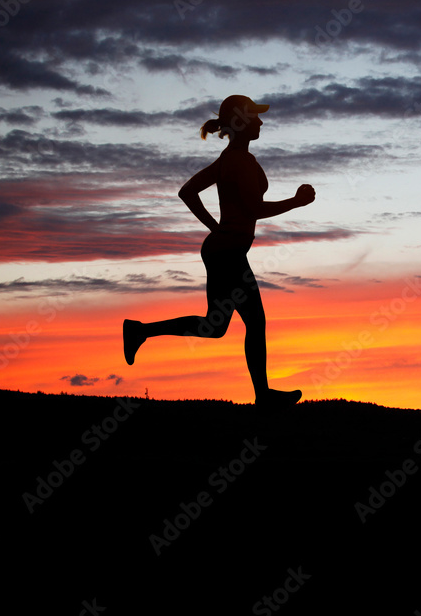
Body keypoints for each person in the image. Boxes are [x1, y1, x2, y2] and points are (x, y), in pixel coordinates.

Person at [123, 94, 315, 411]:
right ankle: (263, 396)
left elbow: (187, 192)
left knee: (216, 327)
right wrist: (295, 202)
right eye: (255, 116)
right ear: (241, 121)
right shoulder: (237, 161)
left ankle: (140, 331)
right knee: (254, 322)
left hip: (222, 249)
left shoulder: (230, 159)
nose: (261, 122)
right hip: (227, 253)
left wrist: (216, 228)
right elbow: (252, 207)